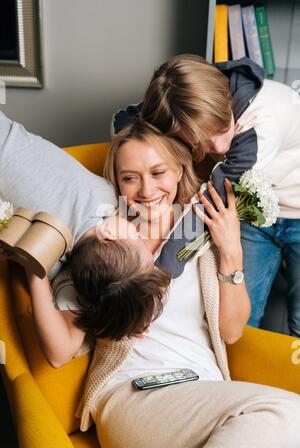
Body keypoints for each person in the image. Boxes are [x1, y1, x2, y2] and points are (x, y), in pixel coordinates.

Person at [54, 120, 300, 448]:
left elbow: (231, 332)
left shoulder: (201, 227)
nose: (146, 190)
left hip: (206, 392)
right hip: (131, 392)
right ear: (115, 182)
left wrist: (231, 251)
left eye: (158, 173)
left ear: (180, 171)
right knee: (286, 414)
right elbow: (63, 342)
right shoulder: (102, 239)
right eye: (130, 178)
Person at [112, 54, 300, 337]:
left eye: (222, 129)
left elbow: (209, 204)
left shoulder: (262, 123)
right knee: (246, 325)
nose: (219, 145)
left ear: (226, 101)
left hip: (295, 210)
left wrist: (158, 280)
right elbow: (124, 121)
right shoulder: (186, 95)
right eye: (200, 141)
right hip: (252, 212)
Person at [0, 110, 171, 365]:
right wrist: (37, 269)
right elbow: (60, 354)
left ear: (110, 235)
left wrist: (35, 263)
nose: (137, 231)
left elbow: (59, 355)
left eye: (139, 243)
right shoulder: (57, 260)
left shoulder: (106, 201)